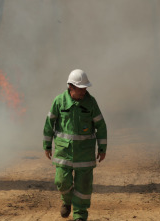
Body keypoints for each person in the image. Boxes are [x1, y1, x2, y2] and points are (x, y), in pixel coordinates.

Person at [43, 69, 107, 221]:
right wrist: (47, 145)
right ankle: (67, 201)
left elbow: (101, 126)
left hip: (85, 154)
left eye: (85, 88)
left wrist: (102, 148)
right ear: (71, 87)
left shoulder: (91, 103)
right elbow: (49, 124)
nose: (84, 91)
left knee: (83, 187)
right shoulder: (59, 101)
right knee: (61, 181)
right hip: (63, 153)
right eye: (81, 88)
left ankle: (80, 215)